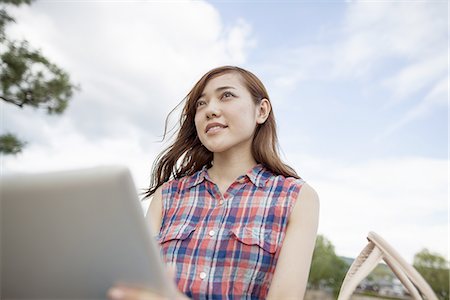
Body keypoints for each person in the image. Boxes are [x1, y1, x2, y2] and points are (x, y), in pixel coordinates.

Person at [108, 66, 319, 299]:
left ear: (261, 111)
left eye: (226, 95)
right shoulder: (167, 196)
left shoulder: (297, 197)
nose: (210, 110)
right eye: (201, 103)